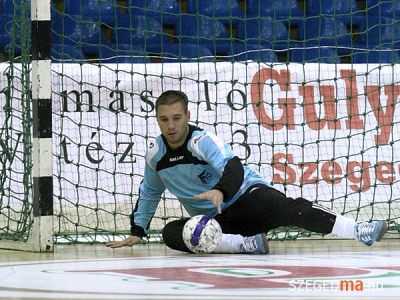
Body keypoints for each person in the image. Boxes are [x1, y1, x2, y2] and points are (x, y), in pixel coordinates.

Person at [106, 90, 388, 254]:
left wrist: (220, 190)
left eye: (176, 118)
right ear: (157, 119)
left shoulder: (202, 141)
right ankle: (245, 245)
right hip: (216, 223)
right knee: (171, 233)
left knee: (284, 207)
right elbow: (150, 191)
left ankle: (357, 229)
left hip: (245, 199)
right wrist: (138, 230)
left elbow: (233, 167)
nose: (171, 126)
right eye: (164, 119)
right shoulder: (156, 156)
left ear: (187, 116)